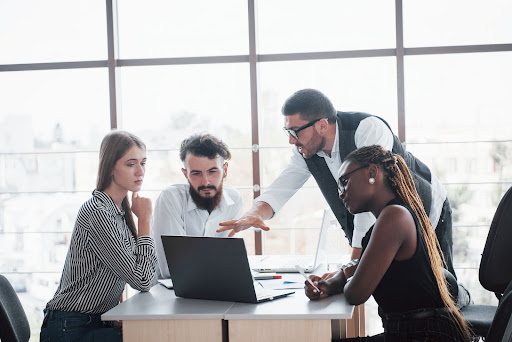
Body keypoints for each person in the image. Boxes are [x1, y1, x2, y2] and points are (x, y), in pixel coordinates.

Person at [218, 88, 457, 279]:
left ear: (322, 125)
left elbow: (368, 205)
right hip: (385, 232)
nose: (291, 140)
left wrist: (351, 266)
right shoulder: (307, 151)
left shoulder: (367, 130)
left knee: (440, 293)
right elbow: (284, 185)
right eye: (287, 131)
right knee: (394, 295)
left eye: (295, 131)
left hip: (428, 213)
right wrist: (253, 214)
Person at [305, 145, 471, 341]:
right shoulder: (388, 218)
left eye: (344, 182)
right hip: (412, 332)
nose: (340, 193)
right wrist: (332, 283)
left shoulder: (394, 217)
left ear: (372, 172)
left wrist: (350, 274)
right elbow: (363, 270)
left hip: (424, 336)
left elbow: (355, 294)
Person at [40, 130, 157, 342]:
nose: (140, 171)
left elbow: (147, 271)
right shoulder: (98, 213)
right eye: (131, 164)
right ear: (111, 167)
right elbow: (142, 280)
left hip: (93, 322)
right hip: (70, 328)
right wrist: (145, 221)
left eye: (143, 163)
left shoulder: (119, 212)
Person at [152, 133, 243, 278]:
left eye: (212, 172)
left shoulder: (234, 200)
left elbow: (228, 259)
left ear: (224, 170)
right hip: (168, 292)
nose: (205, 182)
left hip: (214, 285)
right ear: (185, 174)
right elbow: (171, 268)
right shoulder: (170, 199)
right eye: (196, 173)